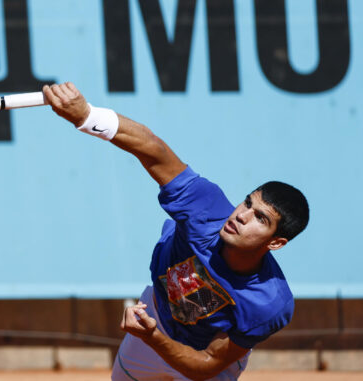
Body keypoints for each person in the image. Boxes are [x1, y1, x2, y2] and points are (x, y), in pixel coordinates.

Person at [42, 82, 309, 381]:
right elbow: (153, 149)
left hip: (202, 353)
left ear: (277, 242)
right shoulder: (206, 210)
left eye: (260, 218)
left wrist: (153, 337)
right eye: (247, 202)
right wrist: (87, 115)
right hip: (156, 315)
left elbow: (207, 363)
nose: (242, 215)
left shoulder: (270, 302)